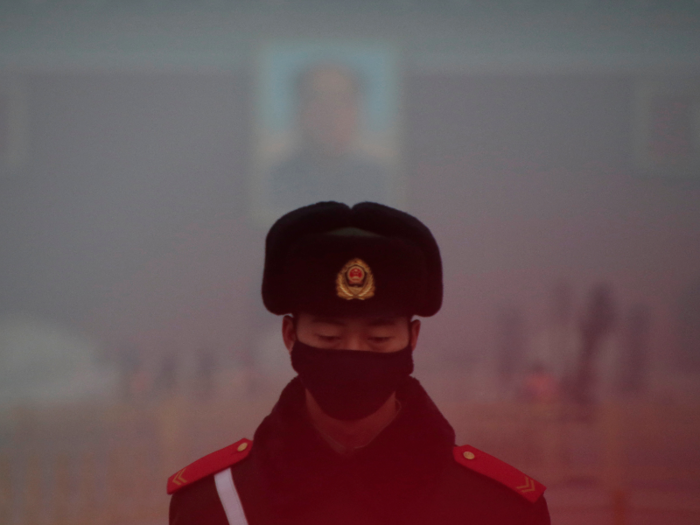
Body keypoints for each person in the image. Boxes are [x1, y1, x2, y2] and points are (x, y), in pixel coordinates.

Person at [167, 201, 550, 525]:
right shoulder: (217, 503)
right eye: (329, 337)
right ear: (289, 335)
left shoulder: (497, 508)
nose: (354, 354)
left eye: (378, 339)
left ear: (413, 338)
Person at [267, 64, 392, 213]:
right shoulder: (271, 180)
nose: (329, 113)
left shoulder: (382, 180)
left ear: (357, 111)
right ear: (298, 110)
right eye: (316, 100)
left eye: (341, 100)